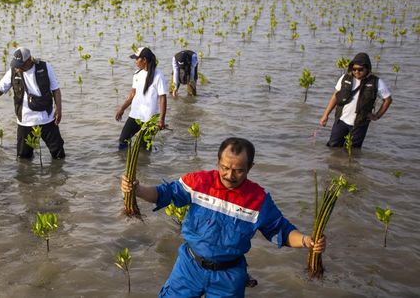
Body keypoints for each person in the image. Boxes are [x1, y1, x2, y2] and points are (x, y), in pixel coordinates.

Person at [121, 137, 326, 297]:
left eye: (238, 171)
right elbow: (164, 193)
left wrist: (307, 241)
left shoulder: (258, 200)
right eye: (225, 168)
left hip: (229, 276)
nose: (229, 175)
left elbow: (280, 230)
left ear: (250, 168)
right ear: (218, 162)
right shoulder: (198, 182)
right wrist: (137, 190)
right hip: (189, 266)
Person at [0, 47, 65, 159]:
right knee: (23, 158)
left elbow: (56, 90)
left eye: (20, 64)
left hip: (47, 118)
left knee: (59, 155)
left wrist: (58, 109)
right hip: (25, 121)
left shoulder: (45, 67)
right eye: (16, 64)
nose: (17, 67)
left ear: (29, 60)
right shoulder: (12, 71)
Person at [319, 52, 392, 148]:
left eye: (360, 69)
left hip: (360, 124)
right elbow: (335, 97)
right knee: (333, 147)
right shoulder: (344, 78)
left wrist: (377, 116)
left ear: (367, 69)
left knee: (353, 152)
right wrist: (325, 115)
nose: (357, 72)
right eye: (354, 69)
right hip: (341, 121)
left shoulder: (376, 82)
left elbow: (388, 99)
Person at [115, 47, 168, 149]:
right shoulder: (137, 74)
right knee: (123, 141)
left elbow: (162, 98)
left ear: (144, 60)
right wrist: (122, 109)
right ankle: (125, 163)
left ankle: (144, 164)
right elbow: (132, 94)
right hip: (135, 115)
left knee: (144, 147)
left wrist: (161, 119)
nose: (135, 61)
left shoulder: (158, 75)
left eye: (137, 59)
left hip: (150, 119)